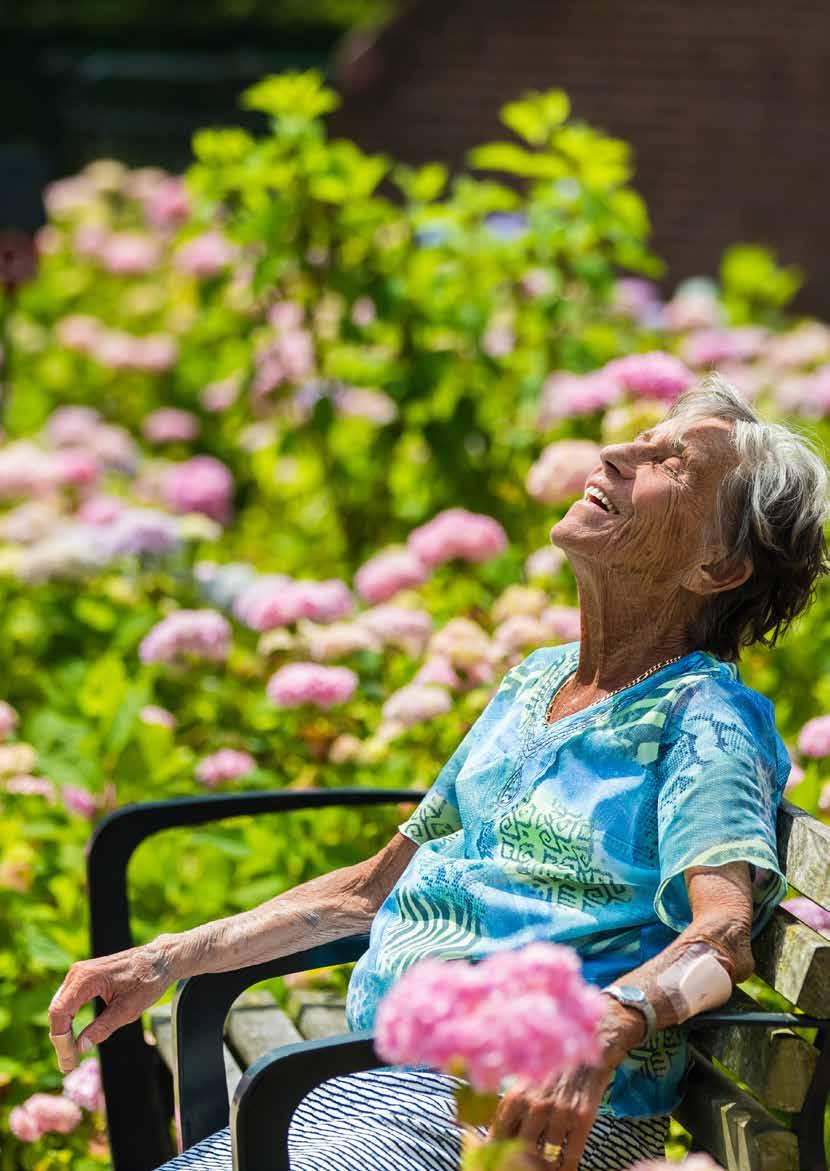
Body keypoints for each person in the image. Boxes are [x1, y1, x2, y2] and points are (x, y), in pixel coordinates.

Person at [49, 374, 829, 1171]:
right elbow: (370, 887)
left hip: (512, 1116)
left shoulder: (703, 719)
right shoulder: (538, 680)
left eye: (669, 461)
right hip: (369, 1085)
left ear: (719, 567)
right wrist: (166, 957)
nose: (616, 451)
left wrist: (610, 1017)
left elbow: (723, 931)